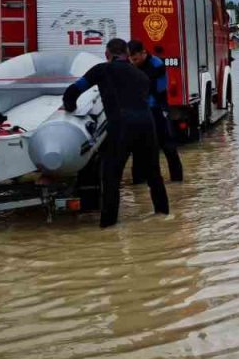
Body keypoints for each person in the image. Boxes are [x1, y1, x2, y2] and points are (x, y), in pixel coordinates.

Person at [62, 38, 169, 228]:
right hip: (147, 126)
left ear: (107, 54)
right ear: (127, 55)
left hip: (121, 127)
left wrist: (70, 108)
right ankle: (164, 217)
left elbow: (73, 91)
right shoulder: (140, 75)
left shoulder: (101, 70)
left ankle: (109, 226)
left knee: (111, 177)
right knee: (154, 176)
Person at [127, 39, 183, 183]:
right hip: (138, 110)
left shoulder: (156, 64)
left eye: (135, 59)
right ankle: (139, 183)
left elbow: (160, 91)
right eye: (130, 59)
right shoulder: (129, 65)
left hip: (157, 108)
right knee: (139, 148)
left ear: (143, 53)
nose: (133, 62)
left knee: (168, 146)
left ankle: (177, 180)